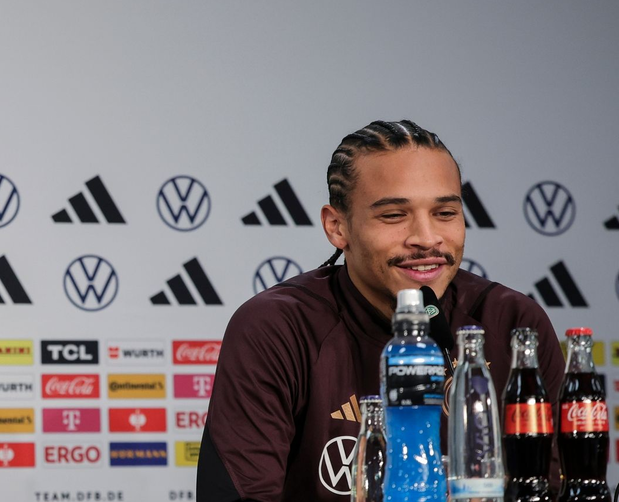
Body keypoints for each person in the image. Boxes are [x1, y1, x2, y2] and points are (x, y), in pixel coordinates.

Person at [196, 119, 564, 501]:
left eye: (445, 213)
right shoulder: (276, 328)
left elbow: (553, 488)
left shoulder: (513, 325)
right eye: (394, 215)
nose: (426, 238)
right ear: (337, 227)